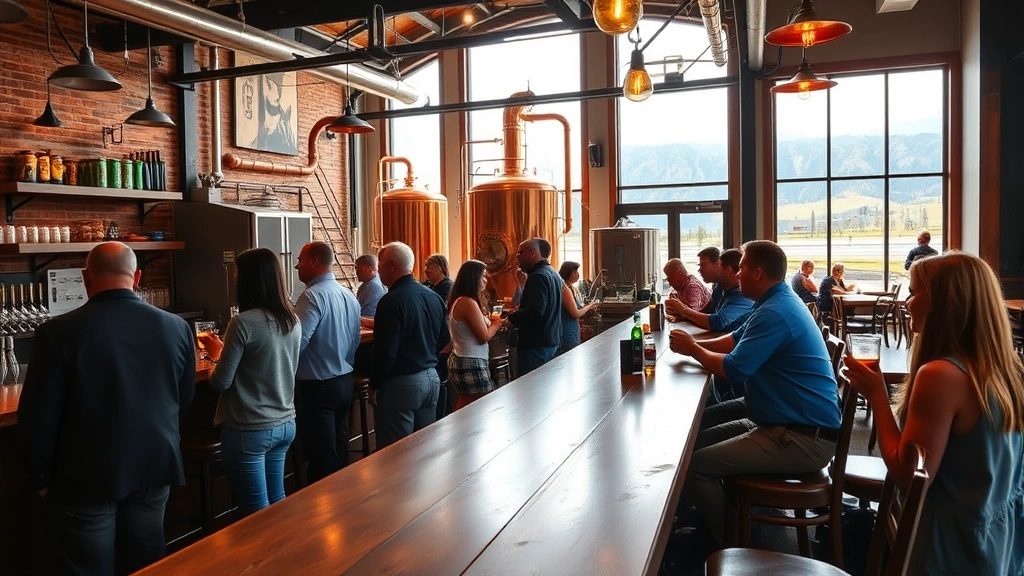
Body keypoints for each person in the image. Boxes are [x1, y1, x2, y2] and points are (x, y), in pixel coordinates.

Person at [19, 242, 195, 575]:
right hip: (153, 466)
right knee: (146, 566)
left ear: (85, 278)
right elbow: (183, 399)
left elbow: (38, 417)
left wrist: (39, 477)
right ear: (137, 277)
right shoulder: (176, 327)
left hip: (86, 476)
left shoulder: (57, 333)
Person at [844, 252, 1024, 575]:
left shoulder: (941, 376)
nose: (908, 302)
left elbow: (907, 477)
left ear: (944, 301)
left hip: (949, 551)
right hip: (998, 544)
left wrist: (877, 397)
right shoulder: (1005, 370)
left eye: (914, 292)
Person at [668, 240, 840, 547]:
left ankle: (733, 543)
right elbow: (733, 340)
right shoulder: (773, 301)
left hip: (801, 437)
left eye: (742, 267)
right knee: (695, 439)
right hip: (781, 420)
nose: (736, 274)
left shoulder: (776, 311)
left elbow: (733, 369)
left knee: (694, 468)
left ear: (757, 273)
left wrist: (692, 348)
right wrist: (688, 351)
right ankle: (712, 516)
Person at [200, 248, 300, 517]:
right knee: (277, 501)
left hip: (249, 428)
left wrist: (215, 356)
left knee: (254, 513)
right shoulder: (292, 318)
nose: (234, 278)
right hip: (285, 422)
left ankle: (263, 560)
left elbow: (220, 382)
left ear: (249, 279)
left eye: (237, 273)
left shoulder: (243, 322)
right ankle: (284, 554)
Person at [293, 242, 362, 483]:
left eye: (299, 260)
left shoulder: (311, 296)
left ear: (313, 262)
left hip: (318, 385)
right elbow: (355, 340)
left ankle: (322, 513)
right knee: (339, 446)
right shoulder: (348, 295)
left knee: (321, 455)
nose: (296, 266)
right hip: (344, 380)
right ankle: (344, 504)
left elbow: (296, 344)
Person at [371, 241, 447, 449]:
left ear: (392, 265)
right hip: (431, 378)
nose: (378, 270)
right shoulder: (433, 296)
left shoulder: (391, 301)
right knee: (425, 452)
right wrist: (425, 353)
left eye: (380, 264)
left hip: (402, 383)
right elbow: (445, 337)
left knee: (395, 455)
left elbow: (385, 351)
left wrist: (375, 384)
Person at [446, 260, 504, 409]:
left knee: (467, 403)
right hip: (470, 360)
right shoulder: (467, 302)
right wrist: (496, 325)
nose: (485, 280)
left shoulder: (463, 300)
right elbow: (483, 337)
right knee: (482, 406)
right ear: (473, 277)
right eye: (483, 276)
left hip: (465, 357)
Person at [506, 238, 563, 376]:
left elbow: (536, 311)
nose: (517, 256)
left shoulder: (537, 276)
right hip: (551, 339)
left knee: (530, 391)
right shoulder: (552, 273)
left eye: (520, 252)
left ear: (533, 253)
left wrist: (511, 317)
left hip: (536, 344)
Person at [667, 248, 753, 334]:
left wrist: (683, 310)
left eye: (719, 266)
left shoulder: (743, 294)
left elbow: (717, 322)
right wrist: (683, 316)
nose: (718, 270)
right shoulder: (719, 286)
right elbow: (709, 311)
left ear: (729, 270)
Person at [423, 253, 453, 419]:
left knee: (441, 384)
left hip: (442, 341)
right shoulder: (428, 286)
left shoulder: (447, 287)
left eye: (429, 266)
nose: (426, 270)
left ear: (439, 268)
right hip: (432, 340)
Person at [557, 261, 597, 354]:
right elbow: (576, 313)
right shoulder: (564, 289)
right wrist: (590, 306)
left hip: (574, 329)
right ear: (567, 272)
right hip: (566, 331)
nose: (577, 275)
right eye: (575, 272)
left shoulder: (572, 288)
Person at [355, 254, 387, 319]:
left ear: (369, 268)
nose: (356, 273)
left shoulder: (374, 286)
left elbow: (360, 311)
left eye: (359, 270)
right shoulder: (366, 284)